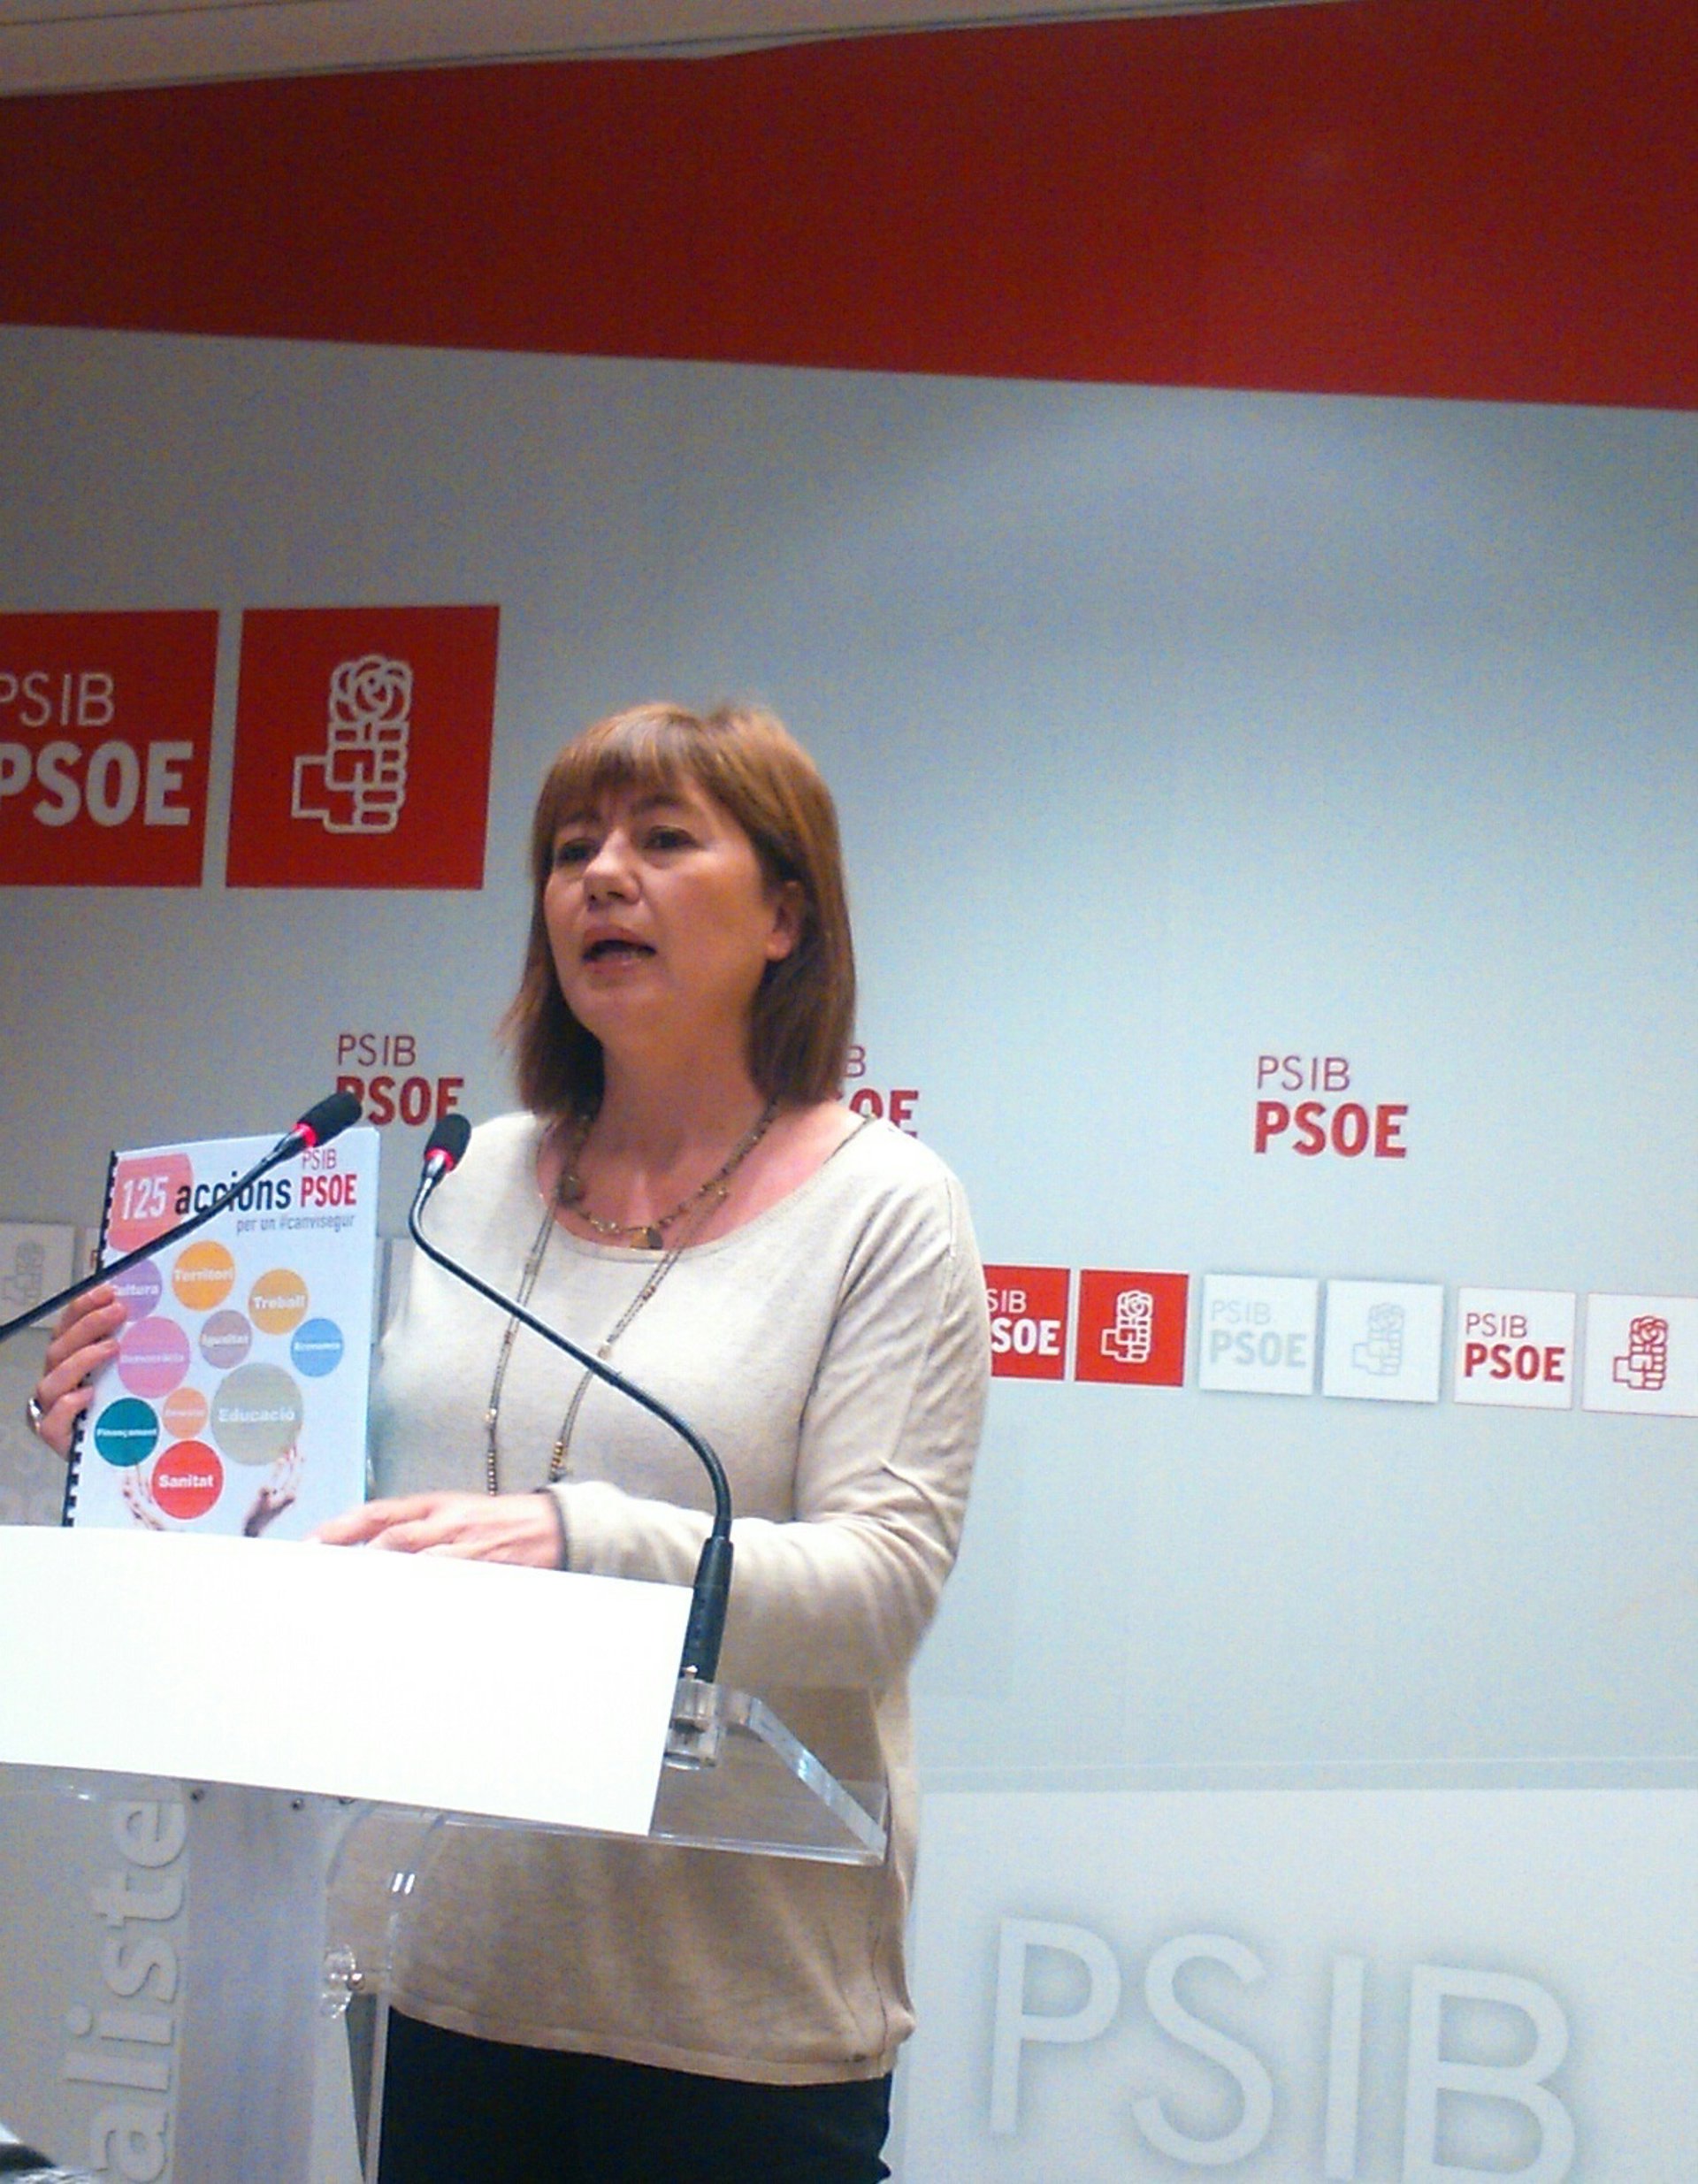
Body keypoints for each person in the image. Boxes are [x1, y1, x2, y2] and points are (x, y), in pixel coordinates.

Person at [30, 701, 990, 2184]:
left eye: (663, 839)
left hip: (728, 2008)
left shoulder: (886, 1206)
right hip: (441, 1963)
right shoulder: (464, 1177)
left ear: (787, 916)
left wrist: (573, 1536)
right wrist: (149, 1437)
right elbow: (361, 1509)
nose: (601, 875)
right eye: (570, 848)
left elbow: (882, 1586)